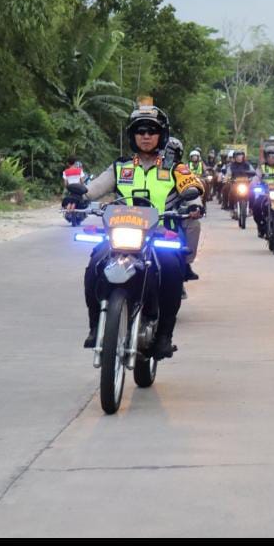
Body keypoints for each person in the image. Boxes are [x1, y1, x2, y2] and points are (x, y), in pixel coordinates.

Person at [77, 106, 204, 359]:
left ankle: (164, 335)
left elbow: (194, 187)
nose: (146, 136)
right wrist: (76, 195)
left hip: (160, 236)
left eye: (152, 131)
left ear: (162, 135)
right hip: (120, 234)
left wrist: (194, 205)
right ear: (132, 136)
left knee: (171, 272)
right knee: (94, 266)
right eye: (140, 131)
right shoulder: (120, 167)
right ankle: (95, 327)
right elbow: (93, 189)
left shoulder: (176, 169)